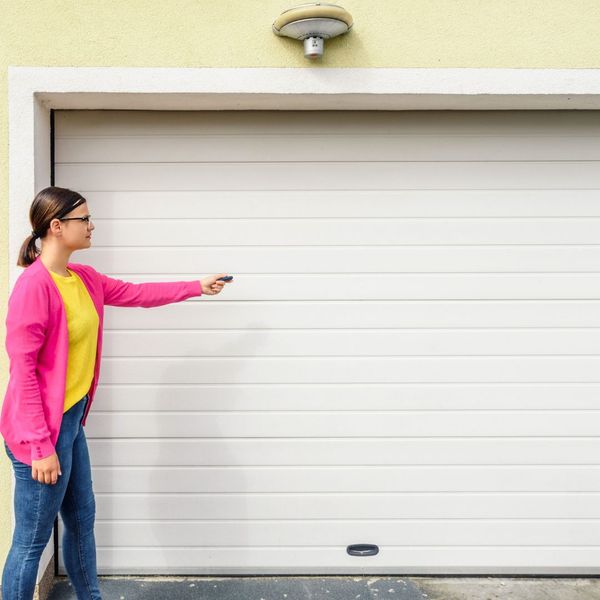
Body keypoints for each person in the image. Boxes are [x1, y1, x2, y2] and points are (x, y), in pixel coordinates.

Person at [0, 186, 232, 599]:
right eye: (83, 219)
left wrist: (196, 285)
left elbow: (138, 294)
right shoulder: (34, 287)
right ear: (56, 227)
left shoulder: (83, 278)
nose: (91, 226)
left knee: (82, 518)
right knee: (32, 541)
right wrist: (40, 446)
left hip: (70, 422)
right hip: (40, 433)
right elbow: (24, 373)